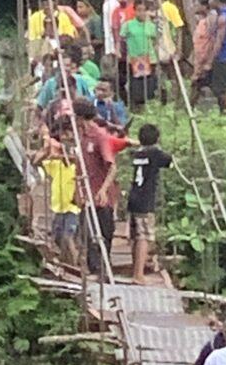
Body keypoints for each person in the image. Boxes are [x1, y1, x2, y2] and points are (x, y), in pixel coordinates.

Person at [73, 98, 130, 276]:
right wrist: (77, 189)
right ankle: (95, 271)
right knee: (87, 234)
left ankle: (103, 270)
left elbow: (112, 166)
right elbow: (80, 166)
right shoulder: (82, 137)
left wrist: (103, 190)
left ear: (80, 117)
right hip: (86, 194)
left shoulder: (99, 137)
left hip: (100, 197)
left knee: (103, 234)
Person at [127, 123, 173, 284]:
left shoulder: (137, 154)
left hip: (133, 198)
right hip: (145, 200)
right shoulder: (155, 153)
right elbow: (170, 162)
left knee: (136, 236)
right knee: (144, 237)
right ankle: (138, 275)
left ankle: (136, 269)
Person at [34, 118, 82, 266]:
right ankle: (67, 261)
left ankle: (75, 264)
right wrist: (47, 150)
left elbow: (80, 163)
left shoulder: (77, 169)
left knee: (68, 236)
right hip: (58, 207)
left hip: (72, 207)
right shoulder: (56, 165)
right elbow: (36, 162)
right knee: (57, 236)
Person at [27, 0, 84, 73]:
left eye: (50, 0)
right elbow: (32, 38)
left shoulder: (63, 17)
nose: (47, 3)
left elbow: (69, 37)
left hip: (59, 46)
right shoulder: (35, 17)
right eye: (44, 0)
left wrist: (57, 43)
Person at [119, 0, 159, 108]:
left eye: (143, 10)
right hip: (134, 59)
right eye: (138, 10)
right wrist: (122, 54)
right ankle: (136, 106)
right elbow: (121, 40)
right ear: (134, 11)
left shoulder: (151, 26)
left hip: (149, 58)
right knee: (136, 84)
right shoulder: (128, 25)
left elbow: (155, 41)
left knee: (149, 83)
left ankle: (150, 105)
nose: (141, 13)